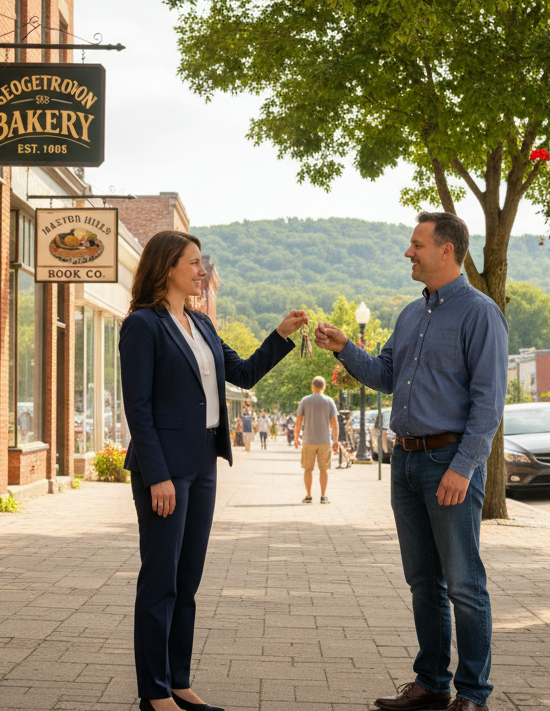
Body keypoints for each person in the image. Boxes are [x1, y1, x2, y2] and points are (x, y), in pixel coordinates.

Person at [316, 211, 508, 711]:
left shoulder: (480, 313)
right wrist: (343, 349)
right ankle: (431, 684)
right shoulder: (409, 314)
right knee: (423, 580)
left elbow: (488, 404)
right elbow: (385, 374)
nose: (409, 252)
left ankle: (472, 694)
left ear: (447, 250)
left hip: (449, 461)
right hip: (405, 462)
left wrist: (464, 467)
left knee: (464, 582)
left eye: (417, 244)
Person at [119, 230, 306, 711]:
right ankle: (153, 692)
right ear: (167, 268)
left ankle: (178, 681)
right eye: (195, 263)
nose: (203, 271)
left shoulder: (200, 324)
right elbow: (137, 408)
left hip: (204, 461)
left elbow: (241, 372)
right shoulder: (143, 325)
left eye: (203, 264)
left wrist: (281, 334)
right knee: (160, 579)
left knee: (189, 579)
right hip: (164, 467)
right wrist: (157, 475)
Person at [294, 376, 339, 504]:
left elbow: (299, 420)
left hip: (309, 440)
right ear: (324, 387)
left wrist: (296, 438)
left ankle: (308, 496)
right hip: (324, 441)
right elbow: (334, 422)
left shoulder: (305, 400)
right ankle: (323, 496)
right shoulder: (329, 401)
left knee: (308, 469)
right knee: (323, 469)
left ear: (312, 386)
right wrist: (335, 440)